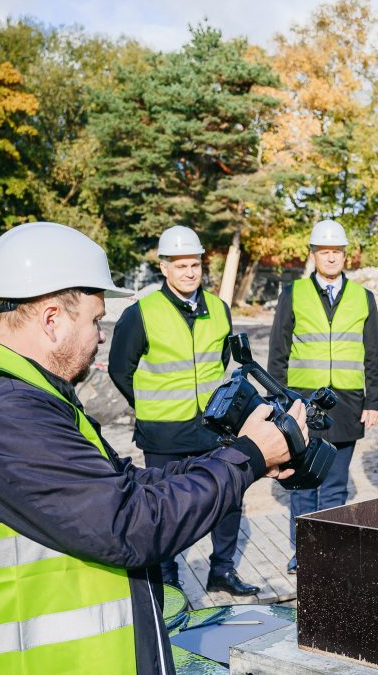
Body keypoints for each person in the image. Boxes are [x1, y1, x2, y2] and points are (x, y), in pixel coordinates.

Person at [0, 222, 301, 674]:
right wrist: (248, 457)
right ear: (51, 320)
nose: (101, 336)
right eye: (95, 320)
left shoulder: (25, 391)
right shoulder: (4, 415)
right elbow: (132, 523)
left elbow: (125, 486)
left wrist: (245, 454)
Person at [109, 226, 256, 596]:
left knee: (229, 496)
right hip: (162, 431)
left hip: (213, 428)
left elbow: (220, 362)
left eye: (195, 265)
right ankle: (168, 574)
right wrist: (147, 403)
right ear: (163, 267)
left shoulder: (220, 311)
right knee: (165, 506)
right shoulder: (141, 313)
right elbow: (119, 369)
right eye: (181, 266)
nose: (190, 272)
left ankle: (221, 571)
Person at [267, 219, 378, 574]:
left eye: (337, 252)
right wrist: (279, 401)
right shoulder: (293, 293)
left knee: (335, 486)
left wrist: (375, 401)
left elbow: (374, 353)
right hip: (302, 402)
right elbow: (278, 351)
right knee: (303, 482)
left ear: (344, 254)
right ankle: (304, 551)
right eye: (324, 252)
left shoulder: (364, 297)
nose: (331, 258)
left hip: (348, 403)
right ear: (314, 254)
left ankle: (330, 550)